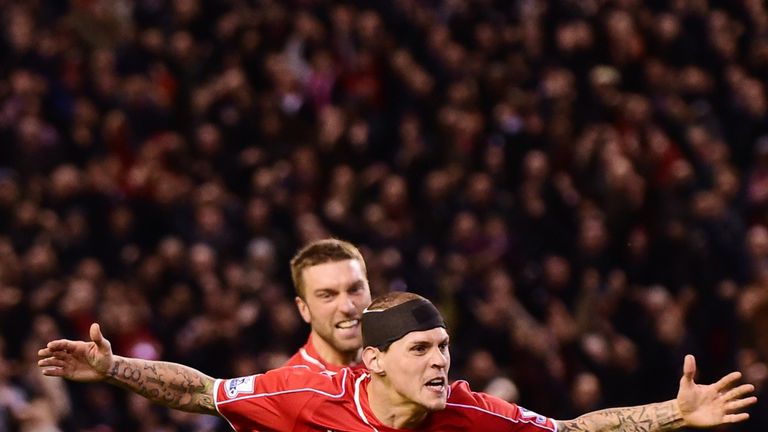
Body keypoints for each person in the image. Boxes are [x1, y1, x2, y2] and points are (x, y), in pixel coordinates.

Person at [38, 291, 756, 431]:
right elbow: (202, 394)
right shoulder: (307, 394)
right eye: (422, 348)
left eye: (444, 347)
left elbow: (572, 431)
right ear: (374, 360)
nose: (442, 360)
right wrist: (112, 370)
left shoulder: (472, 412)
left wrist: (675, 414)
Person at [285, 238, 371, 371]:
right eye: (327, 296)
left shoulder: (400, 370)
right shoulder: (290, 388)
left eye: (355, 290)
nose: (347, 307)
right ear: (304, 309)